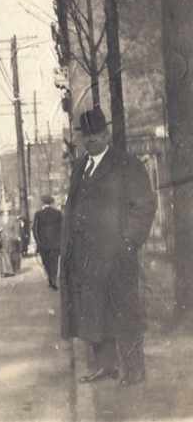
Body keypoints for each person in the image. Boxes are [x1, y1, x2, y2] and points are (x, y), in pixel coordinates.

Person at [60, 107, 157, 387]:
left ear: (106, 134)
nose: (91, 140)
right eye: (86, 136)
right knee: (93, 312)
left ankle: (134, 369)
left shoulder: (126, 164)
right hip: (86, 258)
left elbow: (144, 206)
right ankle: (106, 366)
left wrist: (129, 242)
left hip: (117, 254)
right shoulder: (80, 167)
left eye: (96, 135)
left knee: (124, 311)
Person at [33, 194, 63, 290]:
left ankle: (50, 278)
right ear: (51, 202)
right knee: (54, 262)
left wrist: (38, 242)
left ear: (43, 203)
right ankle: (53, 279)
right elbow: (63, 228)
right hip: (55, 244)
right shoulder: (58, 213)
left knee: (46, 262)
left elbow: (34, 229)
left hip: (43, 244)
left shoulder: (38, 214)